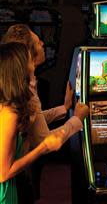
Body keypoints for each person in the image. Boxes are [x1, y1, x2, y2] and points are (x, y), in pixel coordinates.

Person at [1, 24, 89, 201]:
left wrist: (63, 109)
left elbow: (33, 119)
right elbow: (4, 172)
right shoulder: (12, 107)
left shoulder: (17, 93)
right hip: (9, 184)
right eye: (37, 42)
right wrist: (76, 120)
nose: (43, 43)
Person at [0, 42, 64, 204]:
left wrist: (65, 108)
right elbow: (3, 172)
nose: (33, 65)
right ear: (19, 70)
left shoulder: (8, 104)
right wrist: (44, 147)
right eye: (30, 61)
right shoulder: (9, 113)